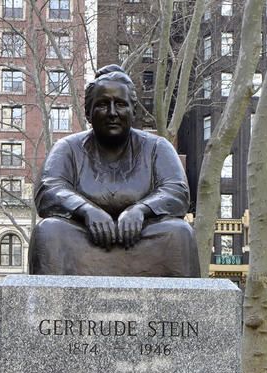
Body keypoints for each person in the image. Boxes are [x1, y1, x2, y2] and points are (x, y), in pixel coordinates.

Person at [29, 64, 200, 278]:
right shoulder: (67, 148)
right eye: (102, 105)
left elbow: (177, 191)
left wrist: (140, 210)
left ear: (133, 110)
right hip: (84, 242)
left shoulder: (157, 147)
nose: (112, 113)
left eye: (120, 104)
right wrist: (86, 210)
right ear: (89, 113)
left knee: (180, 233)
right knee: (49, 231)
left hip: (143, 241)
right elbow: (48, 188)